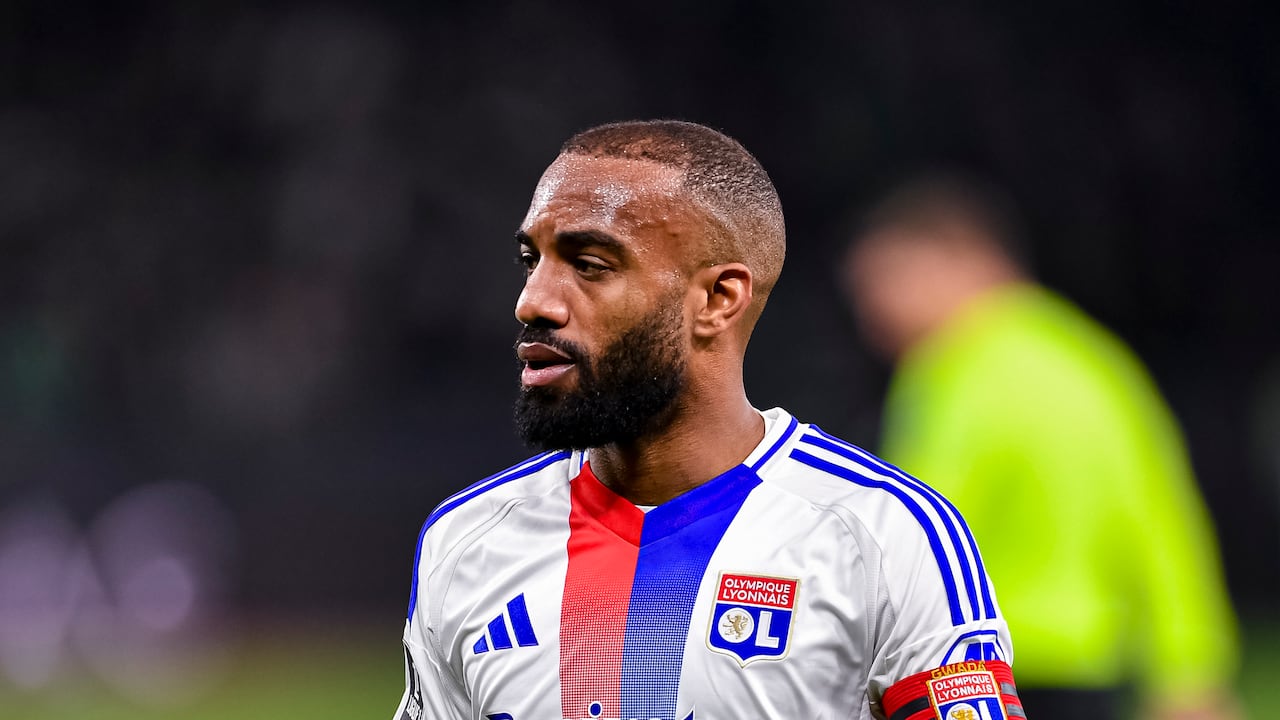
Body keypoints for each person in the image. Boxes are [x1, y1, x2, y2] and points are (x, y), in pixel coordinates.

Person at [394, 121, 1026, 720]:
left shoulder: (881, 533)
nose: (533, 301)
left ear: (718, 299)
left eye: (589, 265)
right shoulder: (467, 540)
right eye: (531, 260)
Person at [841, 174, 1242, 720]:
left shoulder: (953, 371)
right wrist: (1190, 670)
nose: (872, 316)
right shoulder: (1094, 363)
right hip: (1091, 672)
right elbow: (1160, 520)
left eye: (886, 283)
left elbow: (914, 528)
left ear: (964, 259)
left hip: (973, 669)